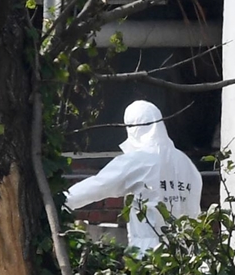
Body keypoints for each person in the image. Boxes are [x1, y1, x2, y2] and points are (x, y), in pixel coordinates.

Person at [65, 100, 203, 255]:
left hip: (149, 254)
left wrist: (62, 201)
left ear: (134, 128)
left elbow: (99, 185)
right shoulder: (186, 163)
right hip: (187, 254)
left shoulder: (139, 159)